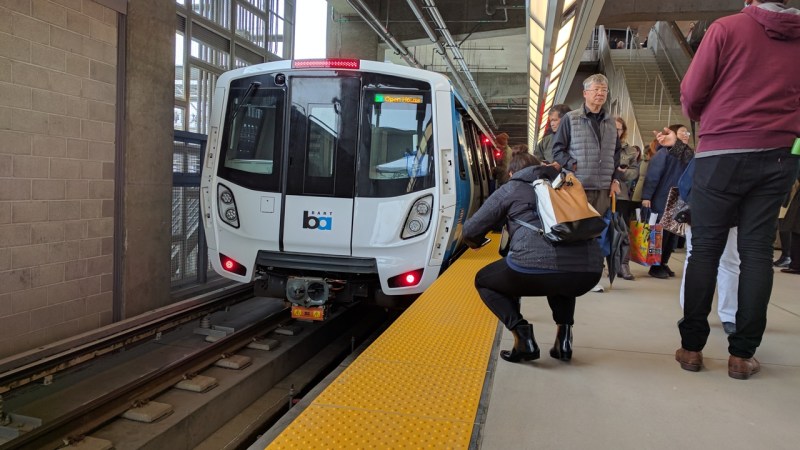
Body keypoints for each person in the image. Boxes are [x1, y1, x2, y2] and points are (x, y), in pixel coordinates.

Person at [677, 0, 800, 380]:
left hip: (721, 154)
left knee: (706, 250)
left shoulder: (726, 28)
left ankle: (692, 349)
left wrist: (705, 115)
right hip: (779, 155)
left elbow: (693, 92)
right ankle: (742, 356)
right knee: (757, 253)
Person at [463, 153, 603, 363]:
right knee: (561, 276)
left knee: (484, 281)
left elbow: (470, 230)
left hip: (532, 267)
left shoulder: (512, 187)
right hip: (589, 272)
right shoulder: (564, 184)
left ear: (512, 173)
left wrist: (476, 242)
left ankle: (523, 337)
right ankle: (564, 342)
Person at [552, 73, 623, 292]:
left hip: (602, 188)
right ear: (585, 94)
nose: (601, 94)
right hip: (578, 185)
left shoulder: (611, 122)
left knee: (597, 233)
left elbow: (617, 154)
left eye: (604, 90)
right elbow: (557, 149)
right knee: (576, 231)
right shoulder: (570, 119)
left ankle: (591, 275)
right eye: (596, 90)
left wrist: (615, 179)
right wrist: (572, 166)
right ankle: (569, 272)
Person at [677, 159, 740, 336]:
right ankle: (694, 312)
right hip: (704, 210)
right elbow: (685, 184)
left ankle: (727, 315)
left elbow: (685, 183)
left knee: (720, 261)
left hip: (717, 211)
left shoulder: (709, 149)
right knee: (705, 261)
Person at [642, 124, 694, 279]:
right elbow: (652, 176)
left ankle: (663, 262)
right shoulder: (662, 154)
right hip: (662, 197)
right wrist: (646, 196)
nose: (686, 135)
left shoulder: (686, 154)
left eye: (687, 132)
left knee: (672, 233)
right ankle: (654, 265)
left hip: (678, 198)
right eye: (682, 132)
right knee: (659, 233)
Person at [614, 117, 640, 280]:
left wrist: (622, 173)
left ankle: (623, 264)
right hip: (600, 192)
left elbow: (634, 172)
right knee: (598, 228)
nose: (616, 132)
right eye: (613, 128)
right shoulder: (600, 145)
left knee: (622, 230)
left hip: (621, 194)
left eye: (619, 129)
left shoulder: (629, 150)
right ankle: (599, 262)